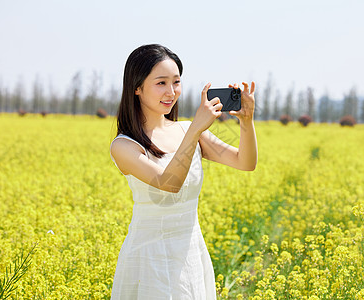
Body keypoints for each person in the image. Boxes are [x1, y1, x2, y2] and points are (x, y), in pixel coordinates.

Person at [109, 44, 258, 299]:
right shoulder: (124, 146)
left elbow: (245, 162)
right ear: (137, 87)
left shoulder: (188, 131)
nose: (171, 92)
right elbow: (169, 184)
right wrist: (195, 130)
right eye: (161, 83)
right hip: (149, 258)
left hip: (190, 254)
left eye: (176, 82)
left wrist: (246, 122)